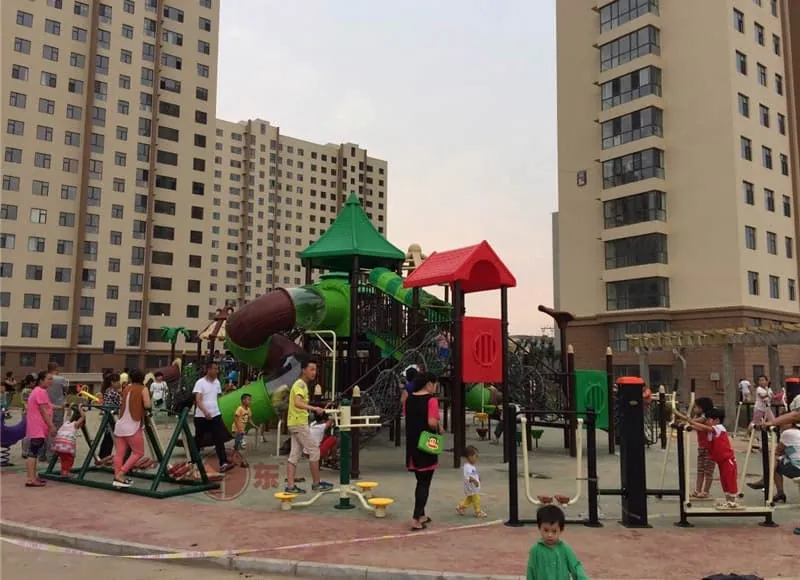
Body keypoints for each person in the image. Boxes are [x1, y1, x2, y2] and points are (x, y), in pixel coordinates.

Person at [285, 359, 332, 494]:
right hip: (299, 423)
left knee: (294, 455)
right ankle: (316, 484)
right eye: (311, 369)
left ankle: (290, 486)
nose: (314, 372)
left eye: (315, 370)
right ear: (303, 370)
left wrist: (317, 408)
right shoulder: (300, 384)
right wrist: (314, 408)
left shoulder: (301, 385)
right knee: (314, 451)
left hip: (294, 423)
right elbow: (298, 403)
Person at [683, 407, 740, 509]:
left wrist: (692, 421)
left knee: (729, 480)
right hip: (720, 461)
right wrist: (687, 424)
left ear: (717, 420)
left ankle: (733, 501)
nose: (707, 422)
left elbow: (705, 428)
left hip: (727, 460)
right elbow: (700, 428)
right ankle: (728, 501)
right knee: (724, 481)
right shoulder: (711, 430)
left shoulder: (719, 427)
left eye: (709, 420)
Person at [405, 372, 441, 531]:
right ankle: (415, 518)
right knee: (424, 482)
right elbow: (432, 423)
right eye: (435, 384)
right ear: (429, 384)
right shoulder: (431, 400)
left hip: (413, 444)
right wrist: (439, 425)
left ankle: (421, 514)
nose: (436, 387)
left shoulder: (409, 399)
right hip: (427, 444)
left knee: (420, 479)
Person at [526, 504, 588, 580]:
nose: (549, 535)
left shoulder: (565, 549)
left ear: (561, 530)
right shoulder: (535, 550)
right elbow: (531, 571)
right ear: (539, 528)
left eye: (554, 531)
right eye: (546, 530)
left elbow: (576, 567)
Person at [112, 369, 151, 488]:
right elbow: (147, 404)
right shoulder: (143, 389)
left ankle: (117, 477)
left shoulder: (127, 388)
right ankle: (121, 473)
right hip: (133, 424)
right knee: (138, 452)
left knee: (119, 453)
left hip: (120, 424)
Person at [193, 362, 233, 473]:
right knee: (199, 439)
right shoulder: (200, 383)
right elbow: (198, 400)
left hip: (215, 415)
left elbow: (217, 397)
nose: (217, 371)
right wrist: (205, 411)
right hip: (201, 416)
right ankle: (194, 462)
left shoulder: (217, 382)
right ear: (208, 370)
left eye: (217, 369)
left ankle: (223, 463)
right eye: (215, 369)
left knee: (219, 438)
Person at [24, 371, 56, 487]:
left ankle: (32, 477)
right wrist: (51, 426)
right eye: (49, 379)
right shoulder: (40, 392)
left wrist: (61, 406)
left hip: (36, 426)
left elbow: (47, 406)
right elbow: (43, 411)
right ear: (41, 380)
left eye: (52, 379)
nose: (51, 381)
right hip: (38, 426)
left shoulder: (38, 391)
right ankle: (31, 479)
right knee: (33, 452)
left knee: (33, 451)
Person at [41, 362, 69, 460]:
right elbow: (66, 390)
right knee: (54, 430)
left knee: (44, 430)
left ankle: (41, 454)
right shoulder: (61, 379)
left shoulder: (44, 379)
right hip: (58, 406)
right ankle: (51, 455)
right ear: (56, 368)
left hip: (45, 407)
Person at [690, 397, 715, 500]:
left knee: (708, 471)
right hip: (701, 447)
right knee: (700, 470)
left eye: (695, 407)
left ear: (702, 408)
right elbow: (695, 425)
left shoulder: (707, 417)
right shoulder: (699, 417)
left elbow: (696, 423)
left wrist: (686, 420)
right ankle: (697, 490)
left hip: (710, 448)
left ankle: (705, 492)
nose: (694, 409)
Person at [52, 406, 87, 477]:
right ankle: (66, 473)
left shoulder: (66, 423)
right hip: (66, 446)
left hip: (57, 445)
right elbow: (83, 417)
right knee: (69, 459)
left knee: (63, 459)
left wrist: (70, 407)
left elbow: (68, 415)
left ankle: (63, 471)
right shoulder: (75, 425)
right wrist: (80, 408)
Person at [97, 373, 122, 465]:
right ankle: (104, 457)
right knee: (110, 437)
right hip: (111, 416)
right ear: (112, 382)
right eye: (117, 381)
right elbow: (121, 402)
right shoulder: (113, 392)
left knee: (108, 436)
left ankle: (103, 456)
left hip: (107, 415)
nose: (119, 383)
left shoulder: (108, 390)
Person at [456, 445, 486, 518]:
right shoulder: (468, 467)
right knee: (476, 498)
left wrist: (478, 477)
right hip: (471, 487)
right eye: (475, 456)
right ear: (470, 457)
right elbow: (469, 477)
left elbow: (474, 473)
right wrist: (475, 481)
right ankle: (478, 511)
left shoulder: (472, 466)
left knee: (470, 499)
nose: (476, 458)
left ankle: (460, 507)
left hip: (473, 487)